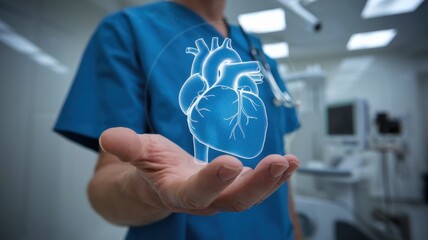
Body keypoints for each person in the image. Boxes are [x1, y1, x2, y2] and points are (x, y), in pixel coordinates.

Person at [54, 0, 302, 239]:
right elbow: (104, 187)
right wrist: (152, 192)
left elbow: (279, 170)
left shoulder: (257, 52)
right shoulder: (129, 29)